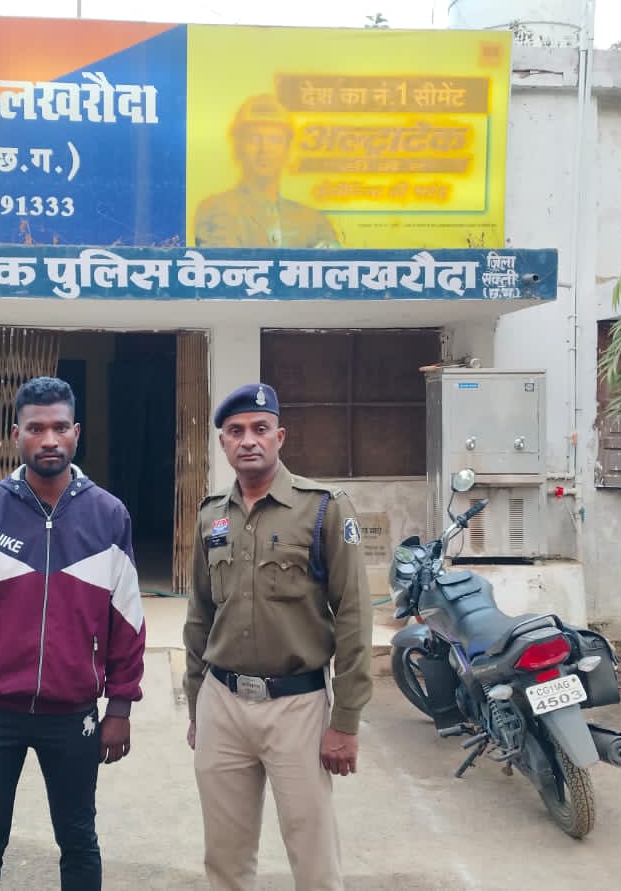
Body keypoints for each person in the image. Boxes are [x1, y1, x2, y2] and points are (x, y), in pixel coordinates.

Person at [0, 376, 146, 891]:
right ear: (16, 435)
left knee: (78, 839)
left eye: (59, 427)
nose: (48, 439)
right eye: (35, 428)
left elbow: (127, 620)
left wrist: (120, 707)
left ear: (76, 433)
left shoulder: (109, 515)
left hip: (72, 714)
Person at [183, 382, 373, 891]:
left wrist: (346, 721)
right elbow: (199, 615)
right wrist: (196, 705)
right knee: (224, 856)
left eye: (260, 429)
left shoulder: (324, 508)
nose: (248, 440)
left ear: (279, 437)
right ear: (223, 442)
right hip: (222, 702)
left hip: (297, 707)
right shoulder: (211, 514)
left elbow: (354, 616)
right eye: (236, 431)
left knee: (313, 855)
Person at [193, 93, 341, 249]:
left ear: (287, 149)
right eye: (254, 139)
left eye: (275, 139)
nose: (265, 149)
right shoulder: (217, 210)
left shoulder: (314, 222)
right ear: (238, 147)